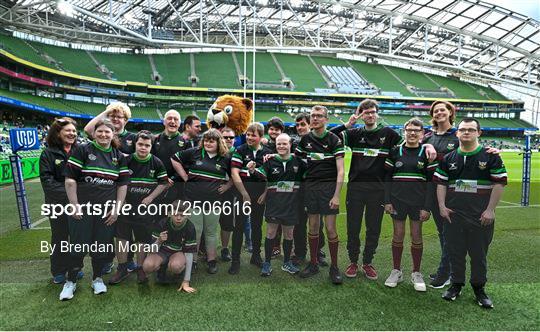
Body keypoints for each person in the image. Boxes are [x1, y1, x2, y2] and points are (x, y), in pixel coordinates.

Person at [331, 99, 436, 281]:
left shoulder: (388, 134)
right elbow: (329, 137)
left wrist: (428, 144)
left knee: (373, 228)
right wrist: (348, 124)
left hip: (378, 190)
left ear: (377, 113)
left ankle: (367, 262)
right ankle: (353, 261)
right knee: (353, 227)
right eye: (366, 112)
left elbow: (412, 143)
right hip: (355, 189)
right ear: (361, 115)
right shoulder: (354, 133)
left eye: (372, 112)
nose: (370, 115)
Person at [434, 118, 506, 309]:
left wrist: (490, 210)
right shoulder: (448, 158)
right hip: (453, 215)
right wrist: (441, 206)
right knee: (455, 253)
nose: (466, 133)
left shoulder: (491, 157)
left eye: (471, 130)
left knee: (478, 255)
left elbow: (499, 184)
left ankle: (479, 289)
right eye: (463, 130)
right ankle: (456, 285)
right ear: (457, 133)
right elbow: (441, 184)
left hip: (480, 216)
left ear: (478, 133)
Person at [60, 119, 129, 300]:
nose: (104, 135)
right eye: (100, 131)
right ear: (94, 133)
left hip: (105, 212)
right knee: (77, 246)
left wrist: (116, 210)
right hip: (82, 209)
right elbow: (70, 179)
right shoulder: (83, 150)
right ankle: (71, 281)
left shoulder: (119, 156)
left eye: (108, 132)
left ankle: (97, 279)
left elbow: (122, 186)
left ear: (113, 134)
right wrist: (74, 205)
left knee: (101, 247)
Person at [383, 118, 438, 292]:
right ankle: (396, 270)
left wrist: (427, 207)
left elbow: (431, 183)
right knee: (398, 234)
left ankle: (416, 272)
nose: (412, 133)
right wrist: (387, 201)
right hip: (397, 201)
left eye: (416, 130)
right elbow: (387, 179)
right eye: (409, 130)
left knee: (416, 236)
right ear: (404, 131)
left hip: (418, 203)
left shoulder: (426, 153)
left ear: (422, 133)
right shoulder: (394, 151)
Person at [108, 130, 169, 285]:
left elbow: (163, 183)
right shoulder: (125, 161)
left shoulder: (157, 162)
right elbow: (116, 182)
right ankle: (122, 268)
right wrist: (121, 201)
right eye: (140, 144)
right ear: (135, 144)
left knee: (142, 240)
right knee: (122, 238)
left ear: (151, 146)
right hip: (126, 208)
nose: (143, 148)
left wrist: (150, 197)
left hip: (145, 210)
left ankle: (141, 269)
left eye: (147, 145)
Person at [84, 102, 137, 274]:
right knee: (106, 229)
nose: (115, 119)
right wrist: (107, 111)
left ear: (126, 120)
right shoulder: (103, 134)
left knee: (125, 229)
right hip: (105, 191)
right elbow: (87, 129)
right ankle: (106, 261)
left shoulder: (133, 138)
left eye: (119, 116)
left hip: (126, 189)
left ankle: (128, 260)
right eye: (112, 116)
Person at [295, 106, 345, 284]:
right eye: (312, 116)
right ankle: (314, 263)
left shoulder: (334, 139)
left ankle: (334, 267)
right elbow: (296, 161)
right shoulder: (305, 140)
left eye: (318, 116)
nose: (314, 118)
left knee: (330, 229)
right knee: (313, 227)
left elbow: (341, 171)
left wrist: (337, 195)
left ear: (326, 119)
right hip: (311, 188)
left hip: (329, 189)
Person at [171, 129, 232, 274]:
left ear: (219, 142)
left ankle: (211, 260)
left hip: (214, 202)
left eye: (212, 140)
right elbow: (174, 158)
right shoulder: (194, 152)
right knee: (196, 232)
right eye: (206, 140)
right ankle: (194, 261)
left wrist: (227, 185)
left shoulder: (225, 158)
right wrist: (184, 176)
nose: (208, 143)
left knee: (210, 233)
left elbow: (236, 174)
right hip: (193, 201)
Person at [247, 133, 306, 276]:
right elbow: (260, 174)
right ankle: (267, 263)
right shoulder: (270, 162)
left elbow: (308, 176)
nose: (281, 146)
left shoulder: (299, 162)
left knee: (289, 234)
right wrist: (252, 169)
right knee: (271, 233)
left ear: (290, 144)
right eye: (279, 144)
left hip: (292, 205)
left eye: (284, 143)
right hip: (274, 204)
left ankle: (287, 263)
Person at [39, 117, 83, 284]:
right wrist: (72, 197)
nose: (72, 133)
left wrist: (77, 200)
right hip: (57, 205)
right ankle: (58, 270)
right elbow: (47, 182)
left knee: (77, 237)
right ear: (58, 133)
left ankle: (76, 267)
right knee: (59, 237)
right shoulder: (48, 153)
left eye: (74, 131)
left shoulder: (80, 151)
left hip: (78, 205)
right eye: (68, 131)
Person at [423, 100, 460, 288]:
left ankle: (445, 273)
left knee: (449, 233)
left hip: (452, 192)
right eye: (435, 111)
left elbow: (474, 150)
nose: (439, 113)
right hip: (432, 190)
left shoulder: (459, 135)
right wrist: (426, 146)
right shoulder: (428, 136)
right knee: (442, 232)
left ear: (450, 113)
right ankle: (448, 270)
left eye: (442, 110)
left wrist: (491, 150)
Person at [229, 123, 272, 274]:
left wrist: (265, 193)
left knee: (257, 226)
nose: (249, 137)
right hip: (241, 195)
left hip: (259, 196)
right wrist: (244, 194)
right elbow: (234, 173)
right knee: (239, 227)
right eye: (248, 134)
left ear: (261, 137)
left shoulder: (267, 152)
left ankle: (256, 256)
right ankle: (235, 260)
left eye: (253, 135)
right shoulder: (239, 150)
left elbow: (270, 176)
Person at [290, 113, 326, 266]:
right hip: (298, 188)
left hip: (316, 188)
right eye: (297, 125)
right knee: (299, 222)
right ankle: (300, 252)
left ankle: (318, 252)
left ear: (311, 124)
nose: (299, 128)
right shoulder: (293, 143)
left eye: (302, 124)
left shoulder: (320, 141)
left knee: (318, 222)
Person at [142, 200, 197, 293]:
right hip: (161, 252)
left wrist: (186, 281)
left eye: (182, 215)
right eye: (175, 215)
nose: (178, 218)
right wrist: (159, 241)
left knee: (176, 266)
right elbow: (150, 249)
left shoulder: (190, 228)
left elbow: (189, 254)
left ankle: (179, 273)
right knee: (147, 266)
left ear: (188, 215)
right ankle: (161, 270)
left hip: (178, 253)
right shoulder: (162, 223)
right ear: (169, 213)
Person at [262, 117, 286, 257]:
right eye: (271, 129)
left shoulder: (288, 143)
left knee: (284, 218)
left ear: (281, 131)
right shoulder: (265, 145)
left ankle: (281, 245)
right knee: (272, 219)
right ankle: (273, 244)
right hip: (269, 186)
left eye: (276, 129)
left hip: (285, 186)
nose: (273, 132)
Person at [218, 127, 238, 262]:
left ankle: (225, 249)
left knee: (227, 223)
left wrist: (227, 186)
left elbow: (237, 173)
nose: (228, 140)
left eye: (231, 137)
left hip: (229, 193)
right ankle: (206, 249)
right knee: (208, 223)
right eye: (225, 137)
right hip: (212, 192)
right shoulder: (215, 152)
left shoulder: (237, 153)